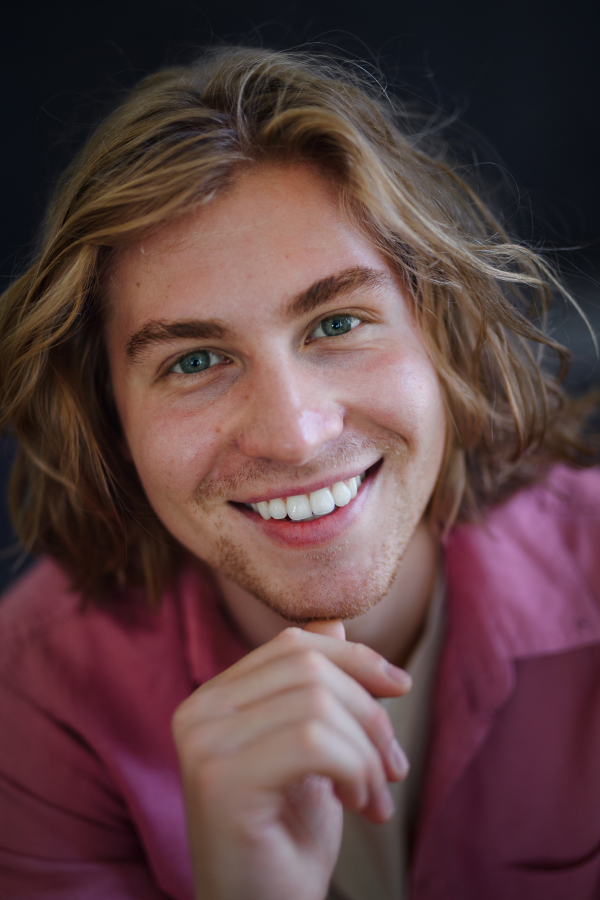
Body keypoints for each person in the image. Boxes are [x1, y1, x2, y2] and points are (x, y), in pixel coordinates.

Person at [0, 45, 599, 900]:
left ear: (444, 337)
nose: (292, 434)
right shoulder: (30, 701)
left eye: (337, 323)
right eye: (197, 358)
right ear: (108, 423)